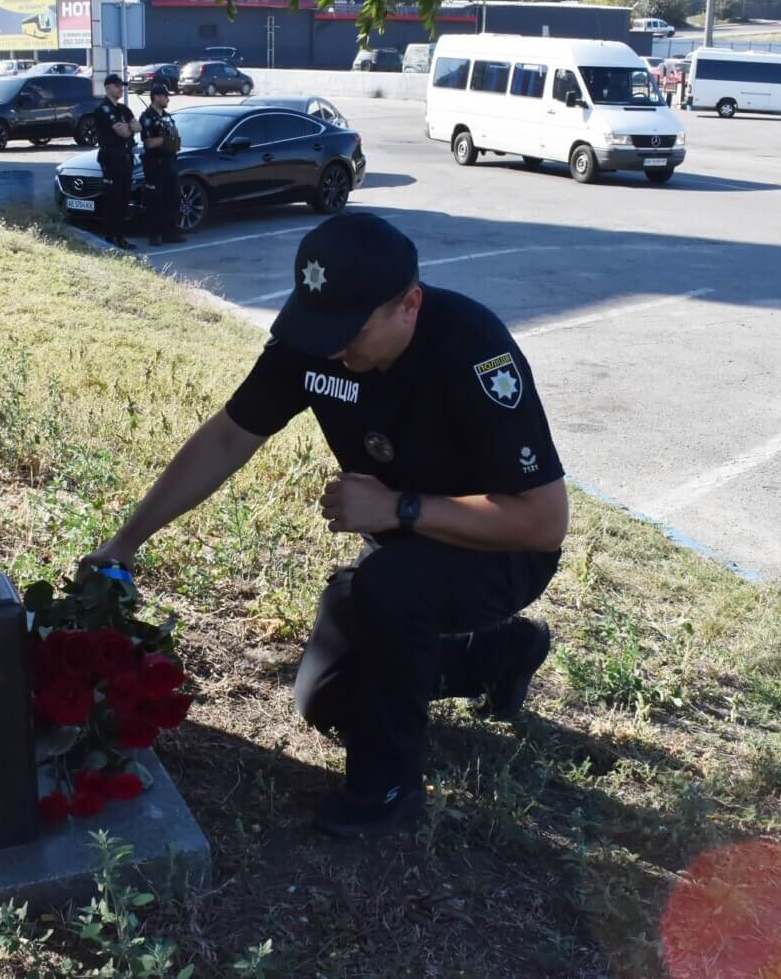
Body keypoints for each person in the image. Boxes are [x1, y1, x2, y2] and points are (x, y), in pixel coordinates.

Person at [80, 214, 569, 838]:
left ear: (409, 306)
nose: (332, 348)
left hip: (499, 551)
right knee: (326, 699)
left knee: (391, 589)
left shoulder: (473, 350)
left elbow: (543, 523)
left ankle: (387, 787)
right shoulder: (317, 336)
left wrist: (400, 509)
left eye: (350, 332)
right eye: (319, 328)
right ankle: (496, 656)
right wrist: (126, 540)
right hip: (402, 546)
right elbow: (230, 436)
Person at [93, 74, 139, 250]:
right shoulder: (103, 109)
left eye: (121, 86)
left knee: (124, 199)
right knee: (114, 199)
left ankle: (120, 236)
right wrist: (128, 127)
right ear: (107, 87)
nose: (120, 89)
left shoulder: (123, 109)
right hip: (112, 159)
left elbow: (137, 126)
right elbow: (124, 132)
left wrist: (128, 127)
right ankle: (113, 236)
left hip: (125, 158)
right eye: (116, 86)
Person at [138, 82, 185, 247]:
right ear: (156, 97)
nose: (167, 99)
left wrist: (172, 142)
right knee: (155, 200)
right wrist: (165, 140)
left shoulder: (166, 116)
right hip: (155, 163)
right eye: (165, 96)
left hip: (170, 161)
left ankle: (169, 232)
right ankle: (154, 234)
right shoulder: (147, 117)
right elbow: (149, 143)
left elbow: (174, 137)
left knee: (173, 198)